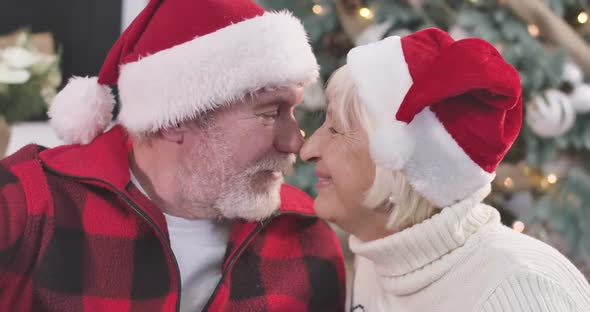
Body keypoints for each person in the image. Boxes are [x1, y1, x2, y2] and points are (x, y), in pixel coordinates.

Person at [0, 0, 345, 311]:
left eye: (294, 111)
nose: (295, 143)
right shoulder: (23, 205)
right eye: (270, 113)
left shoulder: (306, 237)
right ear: (174, 120)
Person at [301, 27, 590, 311]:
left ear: (400, 166)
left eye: (337, 130)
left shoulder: (517, 293)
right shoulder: (377, 254)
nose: (307, 150)